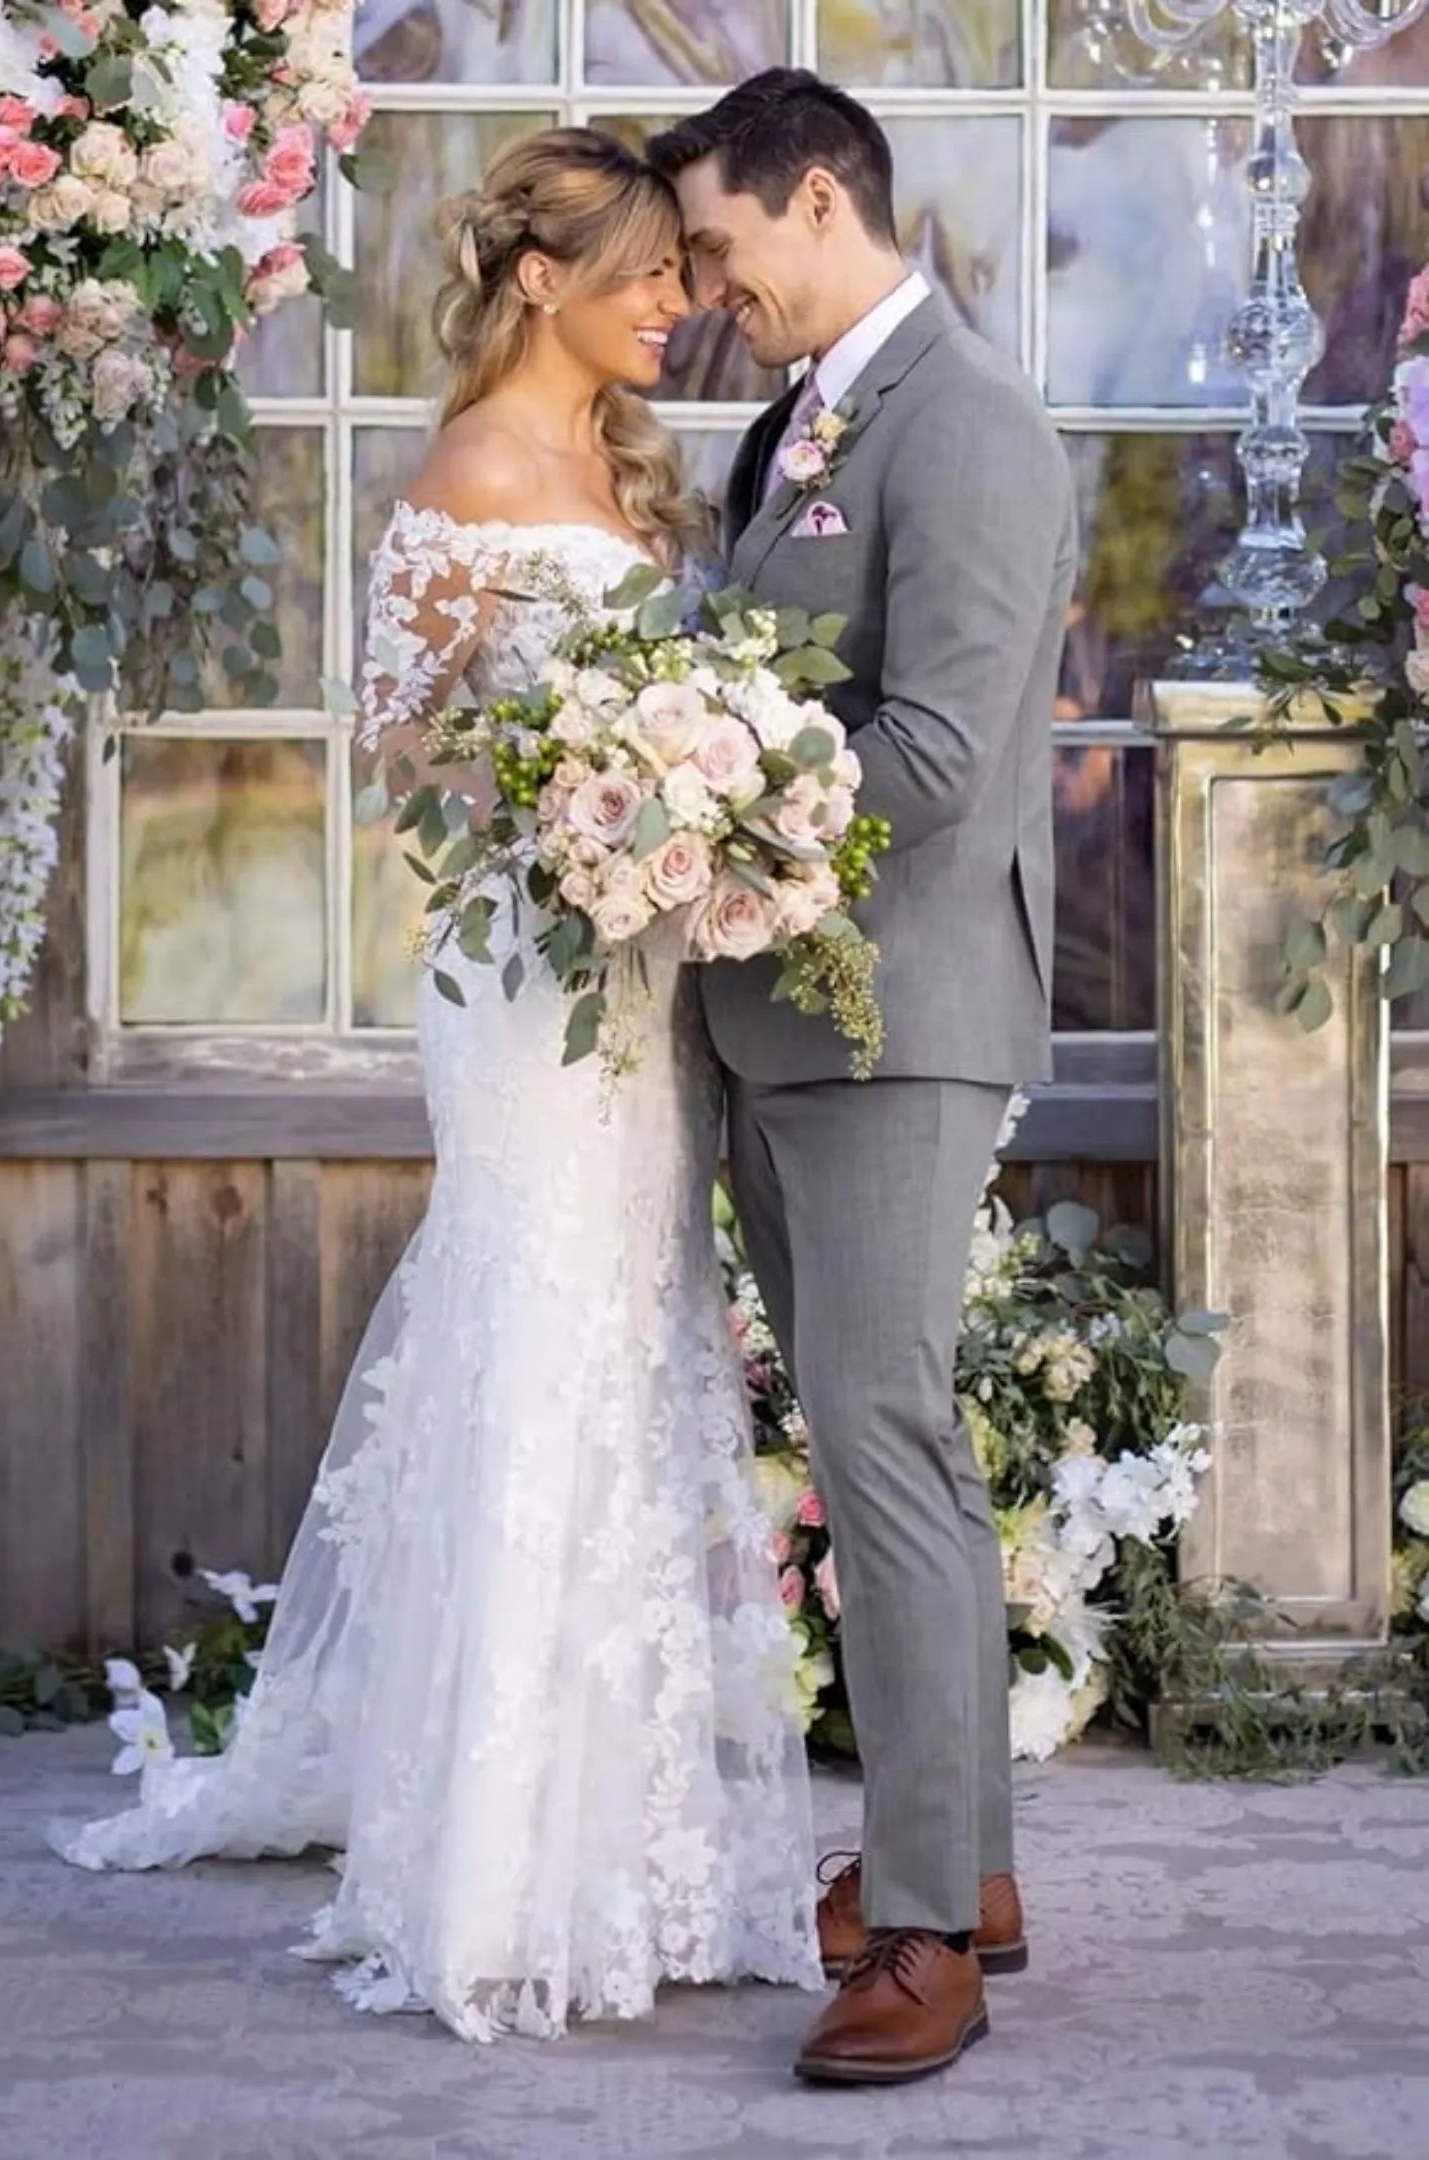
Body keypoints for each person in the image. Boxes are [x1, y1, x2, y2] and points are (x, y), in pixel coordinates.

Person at [47, 126, 822, 2045]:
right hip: (524, 978)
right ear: (542, 278)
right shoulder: (474, 467)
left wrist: (686, 803)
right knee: (539, 1339)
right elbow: (403, 745)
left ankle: (631, 1845)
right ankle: (492, 1875)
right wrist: (579, 797)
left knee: (637, 1339)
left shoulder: (636, 468)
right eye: (646, 274)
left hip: (643, 983)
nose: (677, 304)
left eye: (684, 273)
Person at [648, 71, 1077, 2085]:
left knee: (885, 1449)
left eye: (719, 247)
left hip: (897, 1019)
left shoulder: (969, 421)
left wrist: (694, 810)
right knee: (883, 1438)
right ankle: (962, 1863)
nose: (705, 291)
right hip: (788, 1019)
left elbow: (944, 760)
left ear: (817, 198)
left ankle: (926, 1938)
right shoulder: (793, 422)